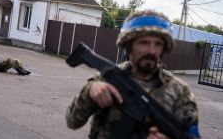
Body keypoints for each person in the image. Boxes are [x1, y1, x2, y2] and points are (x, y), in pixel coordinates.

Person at [66, 10, 201, 139]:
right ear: (129, 45)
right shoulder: (108, 78)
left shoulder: (180, 91)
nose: (152, 51)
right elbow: (72, 122)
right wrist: (89, 92)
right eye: (144, 43)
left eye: (158, 44)